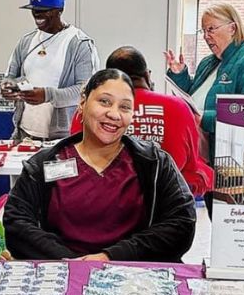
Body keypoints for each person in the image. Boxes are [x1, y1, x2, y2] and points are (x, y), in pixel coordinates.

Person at [4, 69, 196, 262]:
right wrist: (70, 261)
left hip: (132, 275)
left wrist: (110, 257)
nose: (114, 114)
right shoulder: (44, 165)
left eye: (125, 107)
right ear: (83, 102)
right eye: (104, 101)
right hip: (61, 271)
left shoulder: (154, 164)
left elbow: (182, 223)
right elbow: (16, 223)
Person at [69, 46, 214, 197]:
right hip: (164, 200)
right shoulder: (179, 107)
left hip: (103, 199)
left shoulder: (87, 111)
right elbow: (192, 168)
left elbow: (75, 161)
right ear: (147, 75)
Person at [164, 3, 244, 214]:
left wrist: (204, 119)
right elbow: (194, 97)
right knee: (213, 214)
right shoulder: (208, 62)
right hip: (204, 157)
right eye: (203, 31)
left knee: (229, 218)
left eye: (211, 29)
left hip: (230, 160)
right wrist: (180, 75)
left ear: (232, 28)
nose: (206, 36)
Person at [3, 0, 100, 142]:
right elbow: (10, 77)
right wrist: (8, 87)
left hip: (64, 137)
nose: (37, 15)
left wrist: (47, 95)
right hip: (25, 134)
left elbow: (86, 92)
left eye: (44, 11)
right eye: (34, 10)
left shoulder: (79, 44)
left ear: (59, 10)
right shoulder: (26, 41)